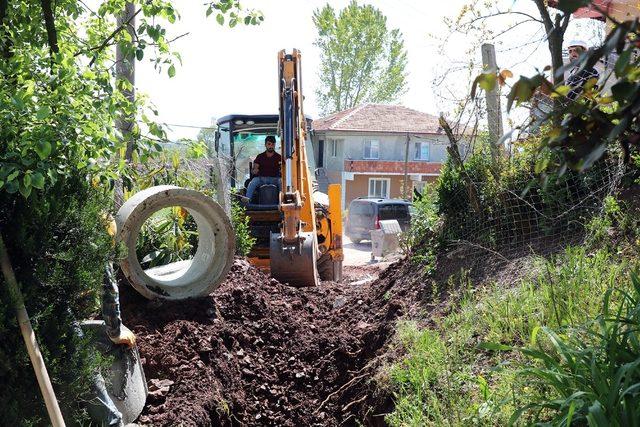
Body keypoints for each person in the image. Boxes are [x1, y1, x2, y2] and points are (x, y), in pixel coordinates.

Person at [244, 135, 282, 202]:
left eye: (272, 144)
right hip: (262, 179)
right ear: (265, 145)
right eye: (269, 144)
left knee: (281, 182)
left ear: (275, 145)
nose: (271, 146)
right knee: (253, 181)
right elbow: (254, 169)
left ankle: (282, 201)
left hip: (275, 179)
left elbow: (282, 169)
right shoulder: (260, 156)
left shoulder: (279, 157)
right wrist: (254, 170)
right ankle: (247, 199)